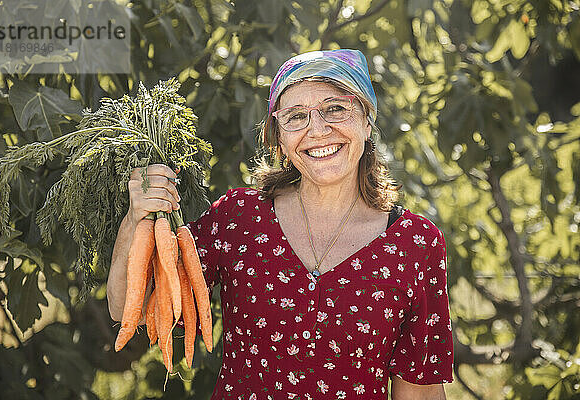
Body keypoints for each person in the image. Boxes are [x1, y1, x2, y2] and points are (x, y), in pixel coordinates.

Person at [107, 49, 454, 399]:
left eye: (336, 108)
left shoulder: (415, 244)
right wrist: (136, 219)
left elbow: (420, 389)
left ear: (366, 120)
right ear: (279, 139)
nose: (317, 130)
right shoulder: (238, 219)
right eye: (295, 116)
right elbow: (129, 310)